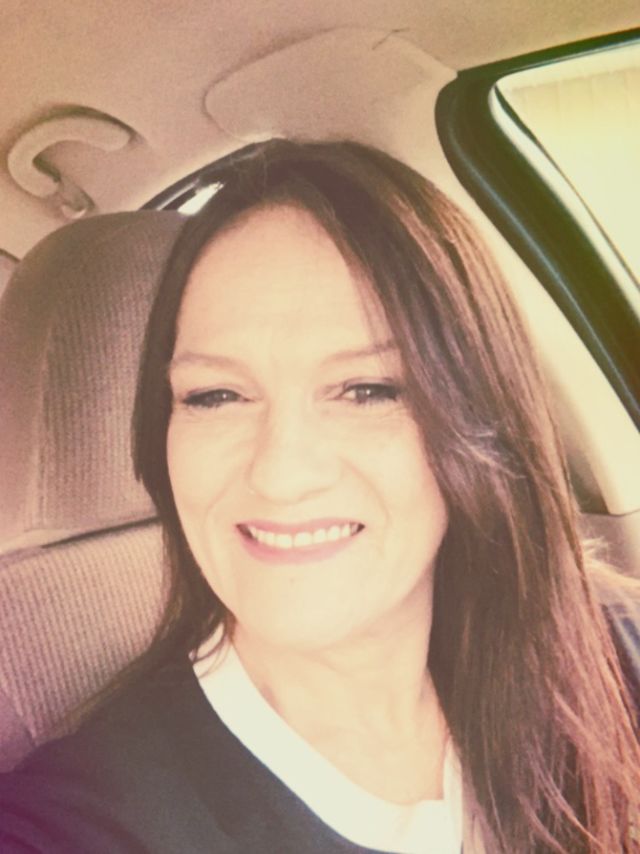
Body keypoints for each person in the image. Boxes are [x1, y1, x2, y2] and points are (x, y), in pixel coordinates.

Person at [0, 139, 639, 853]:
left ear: (480, 412)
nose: (281, 473)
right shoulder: (76, 823)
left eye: (367, 390)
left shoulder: (609, 655)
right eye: (216, 395)